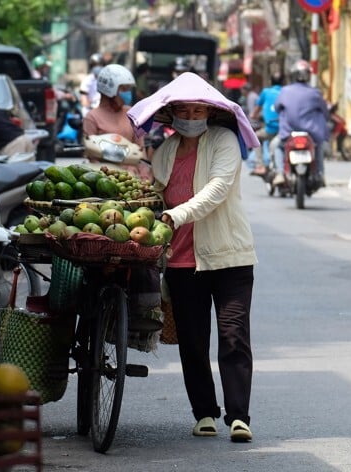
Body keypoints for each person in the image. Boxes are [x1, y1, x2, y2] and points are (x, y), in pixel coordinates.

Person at [127, 72, 260, 444]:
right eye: (183, 109)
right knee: (192, 341)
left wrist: (175, 214)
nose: (190, 114)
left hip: (229, 256)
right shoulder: (166, 151)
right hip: (183, 262)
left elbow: (218, 189)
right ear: (172, 114)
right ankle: (203, 412)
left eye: (197, 108)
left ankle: (238, 416)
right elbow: (155, 194)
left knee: (234, 337)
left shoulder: (224, 141)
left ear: (210, 111)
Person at [83, 64, 149, 178]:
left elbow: (141, 151)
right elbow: (92, 157)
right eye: (123, 89)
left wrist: (145, 176)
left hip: (133, 179)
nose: (127, 93)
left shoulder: (132, 115)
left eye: (128, 89)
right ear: (109, 90)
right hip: (105, 178)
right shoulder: (92, 117)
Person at [272, 59, 329, 186]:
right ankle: (320, 174)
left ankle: (280, 173)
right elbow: (325, 111)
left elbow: (277, 108)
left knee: (277, 147)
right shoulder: (315, 93)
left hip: (288, 133)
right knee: (318, 146)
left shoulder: (285, 91)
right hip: (311, 134)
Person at [251, 72, 283, 175]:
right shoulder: (285, 92)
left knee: (256, 137)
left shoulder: (266, 92)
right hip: (284, 129)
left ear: (270, 82)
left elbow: (255, 111)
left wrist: (253, 115)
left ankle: (260, 166)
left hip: (270, 129)